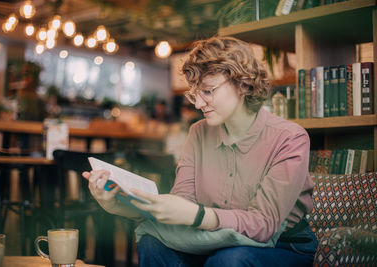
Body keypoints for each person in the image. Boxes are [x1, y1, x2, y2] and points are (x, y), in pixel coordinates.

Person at [82, 36, 317, 266]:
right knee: (152, 243)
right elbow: (182, 203)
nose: (198, 104)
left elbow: (264, 224)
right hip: (212, 241)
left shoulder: (289, 138)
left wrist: (196, 215)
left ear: (243, 84)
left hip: (282, 246)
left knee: (229, 260)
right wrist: (116, 204)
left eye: (208, 91)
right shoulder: (198, 132)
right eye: (194, 93)